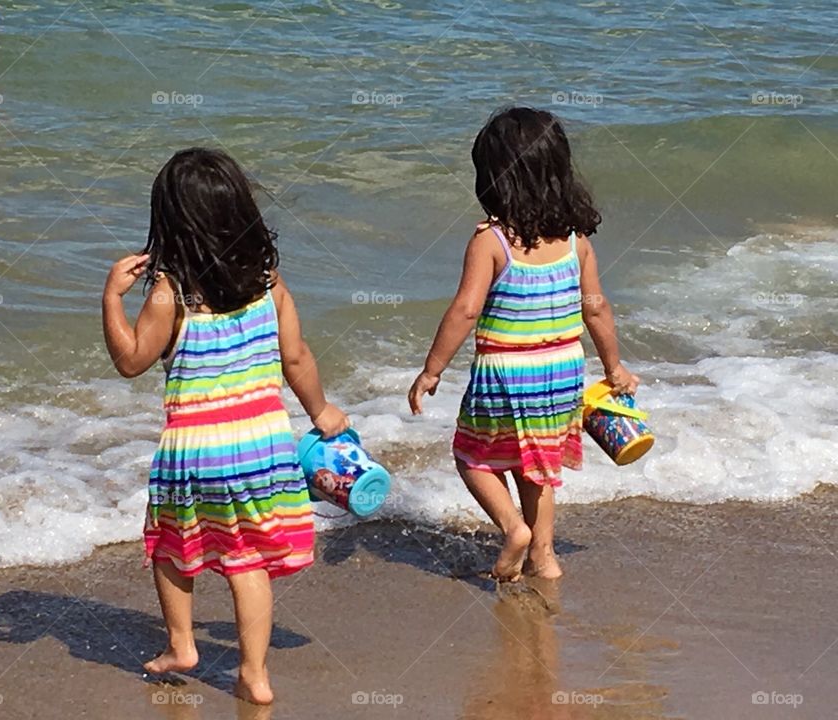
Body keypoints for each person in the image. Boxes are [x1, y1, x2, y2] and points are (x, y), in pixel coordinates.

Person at [102, 148, 349, 705]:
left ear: (170, 222)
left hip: (194, 451)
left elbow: (131, 360)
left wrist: (111, 299)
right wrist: (322, 412)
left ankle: (182, 645)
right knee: (247, 561)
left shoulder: (172, 294)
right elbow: (297, 358)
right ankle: (254, 674)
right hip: (262, 447)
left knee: (170, 547)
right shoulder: (268, 282)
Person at [408, 107, 639, 581]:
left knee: (472, 455)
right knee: (538, 466)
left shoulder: (492, 241)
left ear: (495, 178)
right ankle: (544, 558)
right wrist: (614, 368)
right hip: (561, 371)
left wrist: (432, 370)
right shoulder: (577, 242)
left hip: (507, 372)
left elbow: (466, 310)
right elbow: (595, 308)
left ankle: (514, 529)